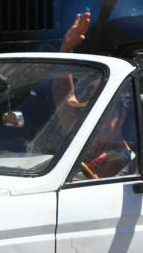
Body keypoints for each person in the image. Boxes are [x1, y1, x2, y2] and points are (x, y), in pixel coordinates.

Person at [56, 12, 135, 178]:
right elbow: (65, 98)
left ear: (121, 117)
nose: (97, 120)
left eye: (105, 113)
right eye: (91, 112)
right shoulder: (86, 132)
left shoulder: (119, 160)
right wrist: (66, 49)